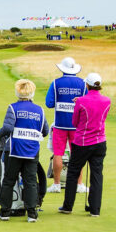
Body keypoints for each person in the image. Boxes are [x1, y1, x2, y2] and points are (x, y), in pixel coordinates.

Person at [59, 72, 110, 217]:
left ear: (87, 85)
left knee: (73, 172)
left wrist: (78, 103)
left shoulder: (81, 101)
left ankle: (68, 206)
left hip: (82, 142)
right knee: (97, 175)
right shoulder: (107, 100)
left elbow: (74, 122)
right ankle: (95, 209)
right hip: (100, 142)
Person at [0, 79, 47, 222]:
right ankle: (32, 214)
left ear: (17, 92)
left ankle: (5, 212)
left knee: (9, 181)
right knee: (30, 181)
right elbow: (45, 130)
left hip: (14, 150)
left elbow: (8, 128)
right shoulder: (39, 110)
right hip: (32, 151)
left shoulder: (13, 108)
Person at [44, 56, 88, 193]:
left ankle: (57, 185)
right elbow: (87, 104)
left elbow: (49, 103)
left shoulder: (56, 83)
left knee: (58, 153)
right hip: (77, 126)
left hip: (60, 124)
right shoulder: (83, 83)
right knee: (77, 155)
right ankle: (79, 184)